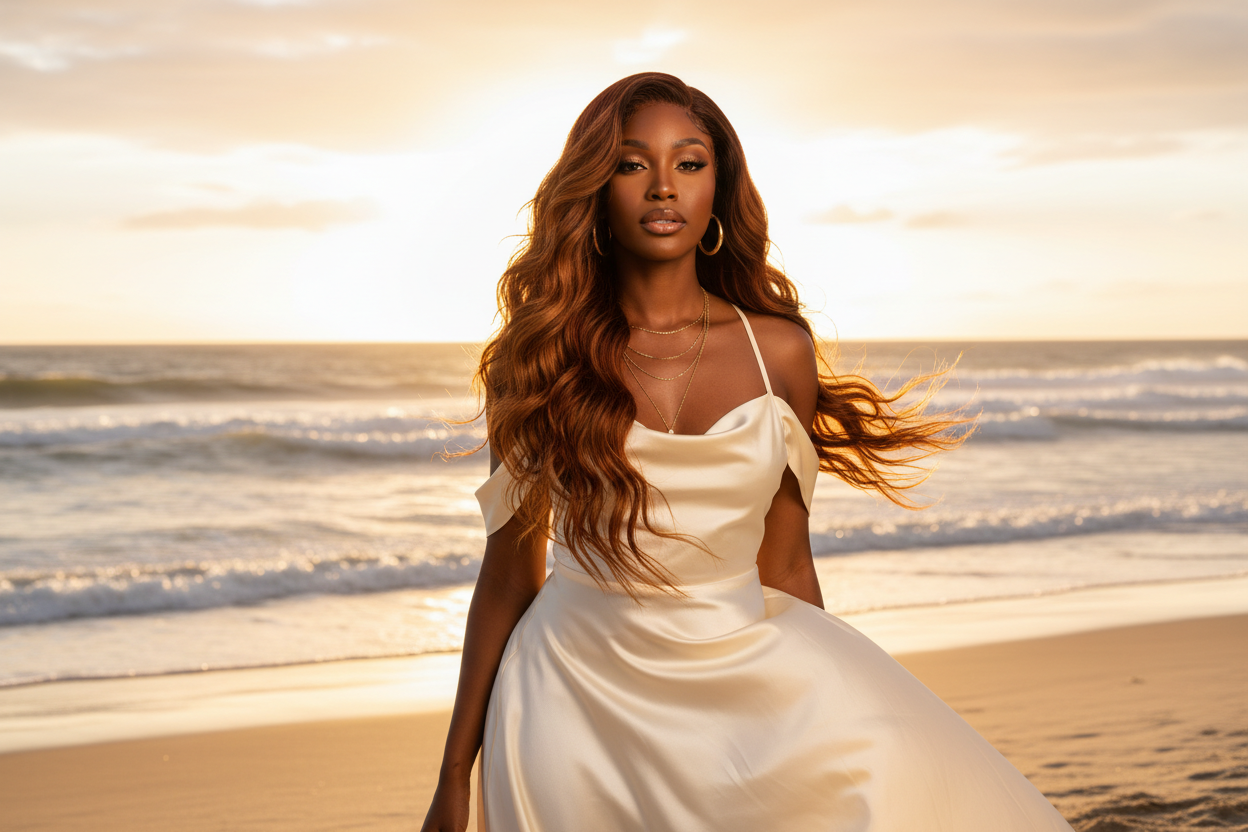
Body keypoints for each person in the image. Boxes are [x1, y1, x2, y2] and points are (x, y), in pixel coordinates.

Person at [421, 72, 1074, 832]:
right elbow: (506, 577)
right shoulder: (536, 360)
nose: (664, 187)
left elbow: (788, 563)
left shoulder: (779, 353)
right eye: (634, 164)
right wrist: (451, 778)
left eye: (689, 163)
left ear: (717, 187)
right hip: (567, 697)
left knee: (885, 771)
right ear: (597, 189)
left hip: (735, 669)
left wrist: (831, 694)